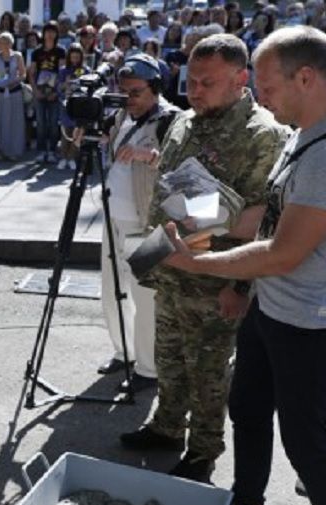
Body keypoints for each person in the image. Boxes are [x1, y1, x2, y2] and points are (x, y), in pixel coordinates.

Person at [164, 26, 326, 505]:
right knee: (248, 407)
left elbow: (283, 252)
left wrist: (198, 263)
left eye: (265, 86)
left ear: (305, 77)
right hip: (273, 306)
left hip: (311, 320)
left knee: (305, 441)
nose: (259, 97)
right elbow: (268, 218)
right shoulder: (305, 133)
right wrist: (216, 245)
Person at [119, 34, 289, 484]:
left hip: (216, 282)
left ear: (240, 78)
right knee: (169, 359)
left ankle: (203, 451)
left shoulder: (263, 136)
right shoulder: (184, 122)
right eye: (190, 81)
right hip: (173, 272)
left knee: (208, 374)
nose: (194, 91)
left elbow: (267, 221)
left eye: (206, 83)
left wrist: (241, 286)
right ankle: (167, 427)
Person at [100, 54, 180, 394]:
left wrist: (150, 157)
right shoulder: (122, 114)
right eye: (124, 91)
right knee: (111, 289)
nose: (129, 98)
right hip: (113, 215)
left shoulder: (172, 119)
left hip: (147, 222)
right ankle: (124, 351)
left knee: (146, 297)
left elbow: (182, 167)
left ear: (155, 88)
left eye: (136, 92)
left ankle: (149, 368)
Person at [30, 22, 67, 163]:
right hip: (40, 91)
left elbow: (62, 73)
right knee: (40, 123)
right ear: (43, 34)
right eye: (48, 31)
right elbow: (32, 73)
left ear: (56, 34)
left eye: (53, 32)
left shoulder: (61, 51)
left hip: (54, 91)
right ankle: (41, 151)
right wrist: (35, 91)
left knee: (53, 123)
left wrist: (56, 92)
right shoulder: (36, 52)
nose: (50, 35)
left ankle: (52, 150)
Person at [0, 32, 28, 160]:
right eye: (1, 42)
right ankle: (2, 150)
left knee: (16, 121)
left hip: (15, 91)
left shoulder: (18, 56)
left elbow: (23, 74)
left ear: (11, 43)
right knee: (2, 121)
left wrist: (15, 81)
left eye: (7, 42)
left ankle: (15, 151)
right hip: (2, 93)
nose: (4, 44)